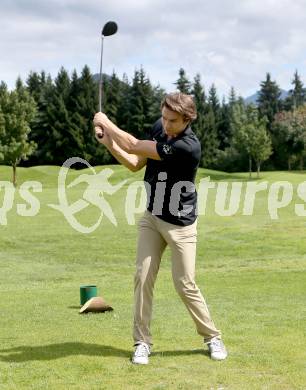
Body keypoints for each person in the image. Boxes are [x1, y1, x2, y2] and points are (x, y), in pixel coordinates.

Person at [93, 92, 227, 365]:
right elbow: (134, 162)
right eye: (164, 117)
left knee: (184, 284)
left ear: (187, 119)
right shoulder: (161, 127)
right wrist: (108, 142)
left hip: (181, 225)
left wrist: (106, 122)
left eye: (172, 121)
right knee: (142, 276)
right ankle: (142, 342)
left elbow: (132, 145)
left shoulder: (188, 147)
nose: (165, 125)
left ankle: (212, 336)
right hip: (152, 218)